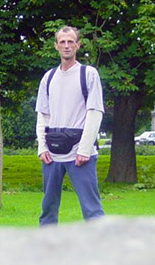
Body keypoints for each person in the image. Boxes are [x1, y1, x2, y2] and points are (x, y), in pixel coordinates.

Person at [35, 26, 105, 225]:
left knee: (91, 209)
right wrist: (42, 147)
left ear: (78, 45)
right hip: (52, 153)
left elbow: (94, 113)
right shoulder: (48, 78)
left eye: (70, 42)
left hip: (80, 153)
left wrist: (84, 149)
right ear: (56, 46)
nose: (67, 46)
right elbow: (43, 115)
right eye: (62, 42)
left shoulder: (88, 74)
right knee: (48, 208)